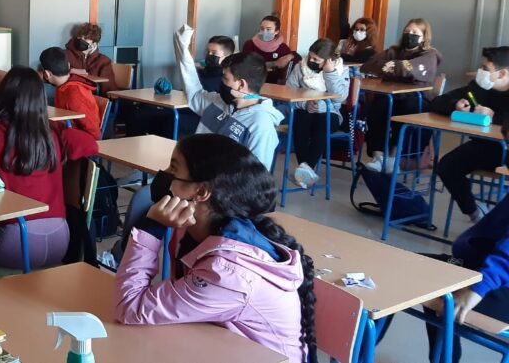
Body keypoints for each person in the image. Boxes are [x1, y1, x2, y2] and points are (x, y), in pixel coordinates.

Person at [114, 134, 316, 363]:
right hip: (219, 348)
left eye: (173, 168)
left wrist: (152, 227)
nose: (164, 174)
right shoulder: (196, 230)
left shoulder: (226, 272)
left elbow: (130, 306)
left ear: (201, 192)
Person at [0, 67, 98, 289]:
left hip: (14, 242)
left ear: (3, 95)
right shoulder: (53, 131)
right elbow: (91, 145)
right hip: (61, 239)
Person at [175, 25, 284, 169]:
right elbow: (194, 93)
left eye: (225, 78)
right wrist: (182, 48)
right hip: (197, 173)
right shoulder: (218, 102)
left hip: (220, 182)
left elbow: (256, 175)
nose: (221, 82)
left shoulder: (260, 126)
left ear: (241, 84)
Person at [419, 192, 509, 363]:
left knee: (422, 279)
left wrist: (481, 285)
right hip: (480, 267)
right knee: (399, 267)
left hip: (495, 282)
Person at [431, 46, 509, 222]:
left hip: (506, 148)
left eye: (485, 69)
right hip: (486, 146)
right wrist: (455, 105)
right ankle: (475, 213)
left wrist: (494, 117)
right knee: (447, 166)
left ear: (502, 74)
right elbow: (438, 101)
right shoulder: (479, 87)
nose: (480, 72)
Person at [360, 18, 442, 173]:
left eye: (414, 32)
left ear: (423, 37)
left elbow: (410, 69)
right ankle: (378, 156)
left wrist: (390, 66)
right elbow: (368, 65)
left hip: (417, 99)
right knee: (378, 106)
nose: (409, 35)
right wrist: (395, 66)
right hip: (392, 96)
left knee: (406, 109)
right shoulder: (394, 51)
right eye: (407, 31)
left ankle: (394, 157)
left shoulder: (430, 55)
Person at [285, 39, 350, 188]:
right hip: (304, 110)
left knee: (323, 123)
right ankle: (305, 172)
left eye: (316, 60)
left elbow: (340, 97)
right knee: (300, 118)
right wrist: (304, 103)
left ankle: (304, 170)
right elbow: (288, 92)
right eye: (310, 57)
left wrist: (330, 73)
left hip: (330, 112)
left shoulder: (341, 70)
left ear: (328, 60)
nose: (311, 61)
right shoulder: (300, 67)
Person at [39, 47, 102, 140]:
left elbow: (94, 133)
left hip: (78, 141)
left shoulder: (75, 93)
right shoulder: (62, 85)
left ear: (47, 74)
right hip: (64, 133)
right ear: (68, 66)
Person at [65, 22, 119, 91]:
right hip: (71, 92)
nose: (81, 39)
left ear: (94, 43)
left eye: (85, 38)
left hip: (93, 94)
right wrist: (71, 70)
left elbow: (109, 88)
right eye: (80, 37)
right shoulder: (66, 54)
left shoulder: (103, 61)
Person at [242, 15, 295, 85]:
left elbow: (295, 60)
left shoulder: (283, 48)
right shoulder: (249, 44)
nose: (264, 31)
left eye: (268, 29)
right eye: (262, 28)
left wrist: (290, 56)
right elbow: (246, 65)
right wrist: (274, 63)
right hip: (252, 83)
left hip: (274, 85)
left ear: (276, 31)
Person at [336, 0, 379, 64]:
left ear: (369, 32)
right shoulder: (347, 38)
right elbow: (343, 19)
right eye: (356, 29)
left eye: (362, 29)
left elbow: (354, 60)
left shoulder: (370, 52)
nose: (358, 31)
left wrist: (342, 55)